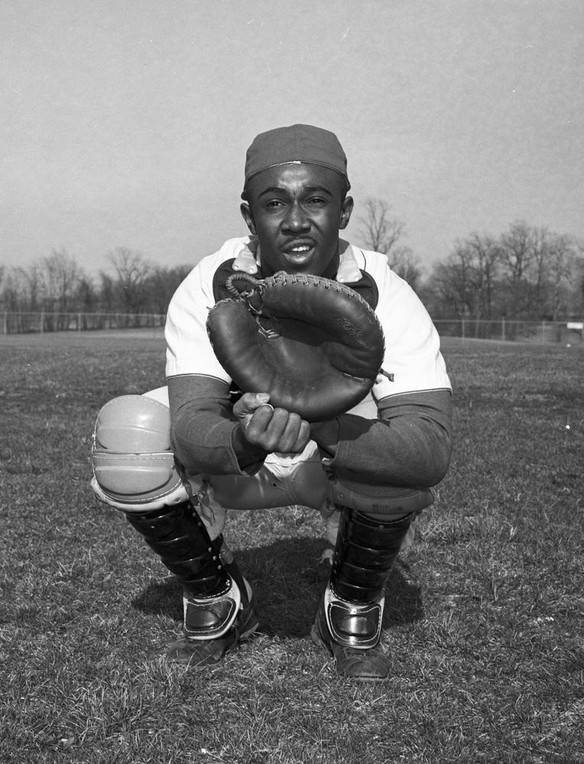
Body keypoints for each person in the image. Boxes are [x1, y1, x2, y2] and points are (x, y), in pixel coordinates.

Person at [91, 124, 453, 682]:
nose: (296, 220)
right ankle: (218, 600)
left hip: (333, 469)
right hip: (241, 464)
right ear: (248, 215)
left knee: (400, 448)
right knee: (129, 431)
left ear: (345, 208)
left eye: (316, 199)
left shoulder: (385, 291)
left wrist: (322, 428)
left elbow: (430, 449)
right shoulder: (209, 283)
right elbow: (190, 425)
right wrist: (244, 437)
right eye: (274, 202)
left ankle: (350, 607)